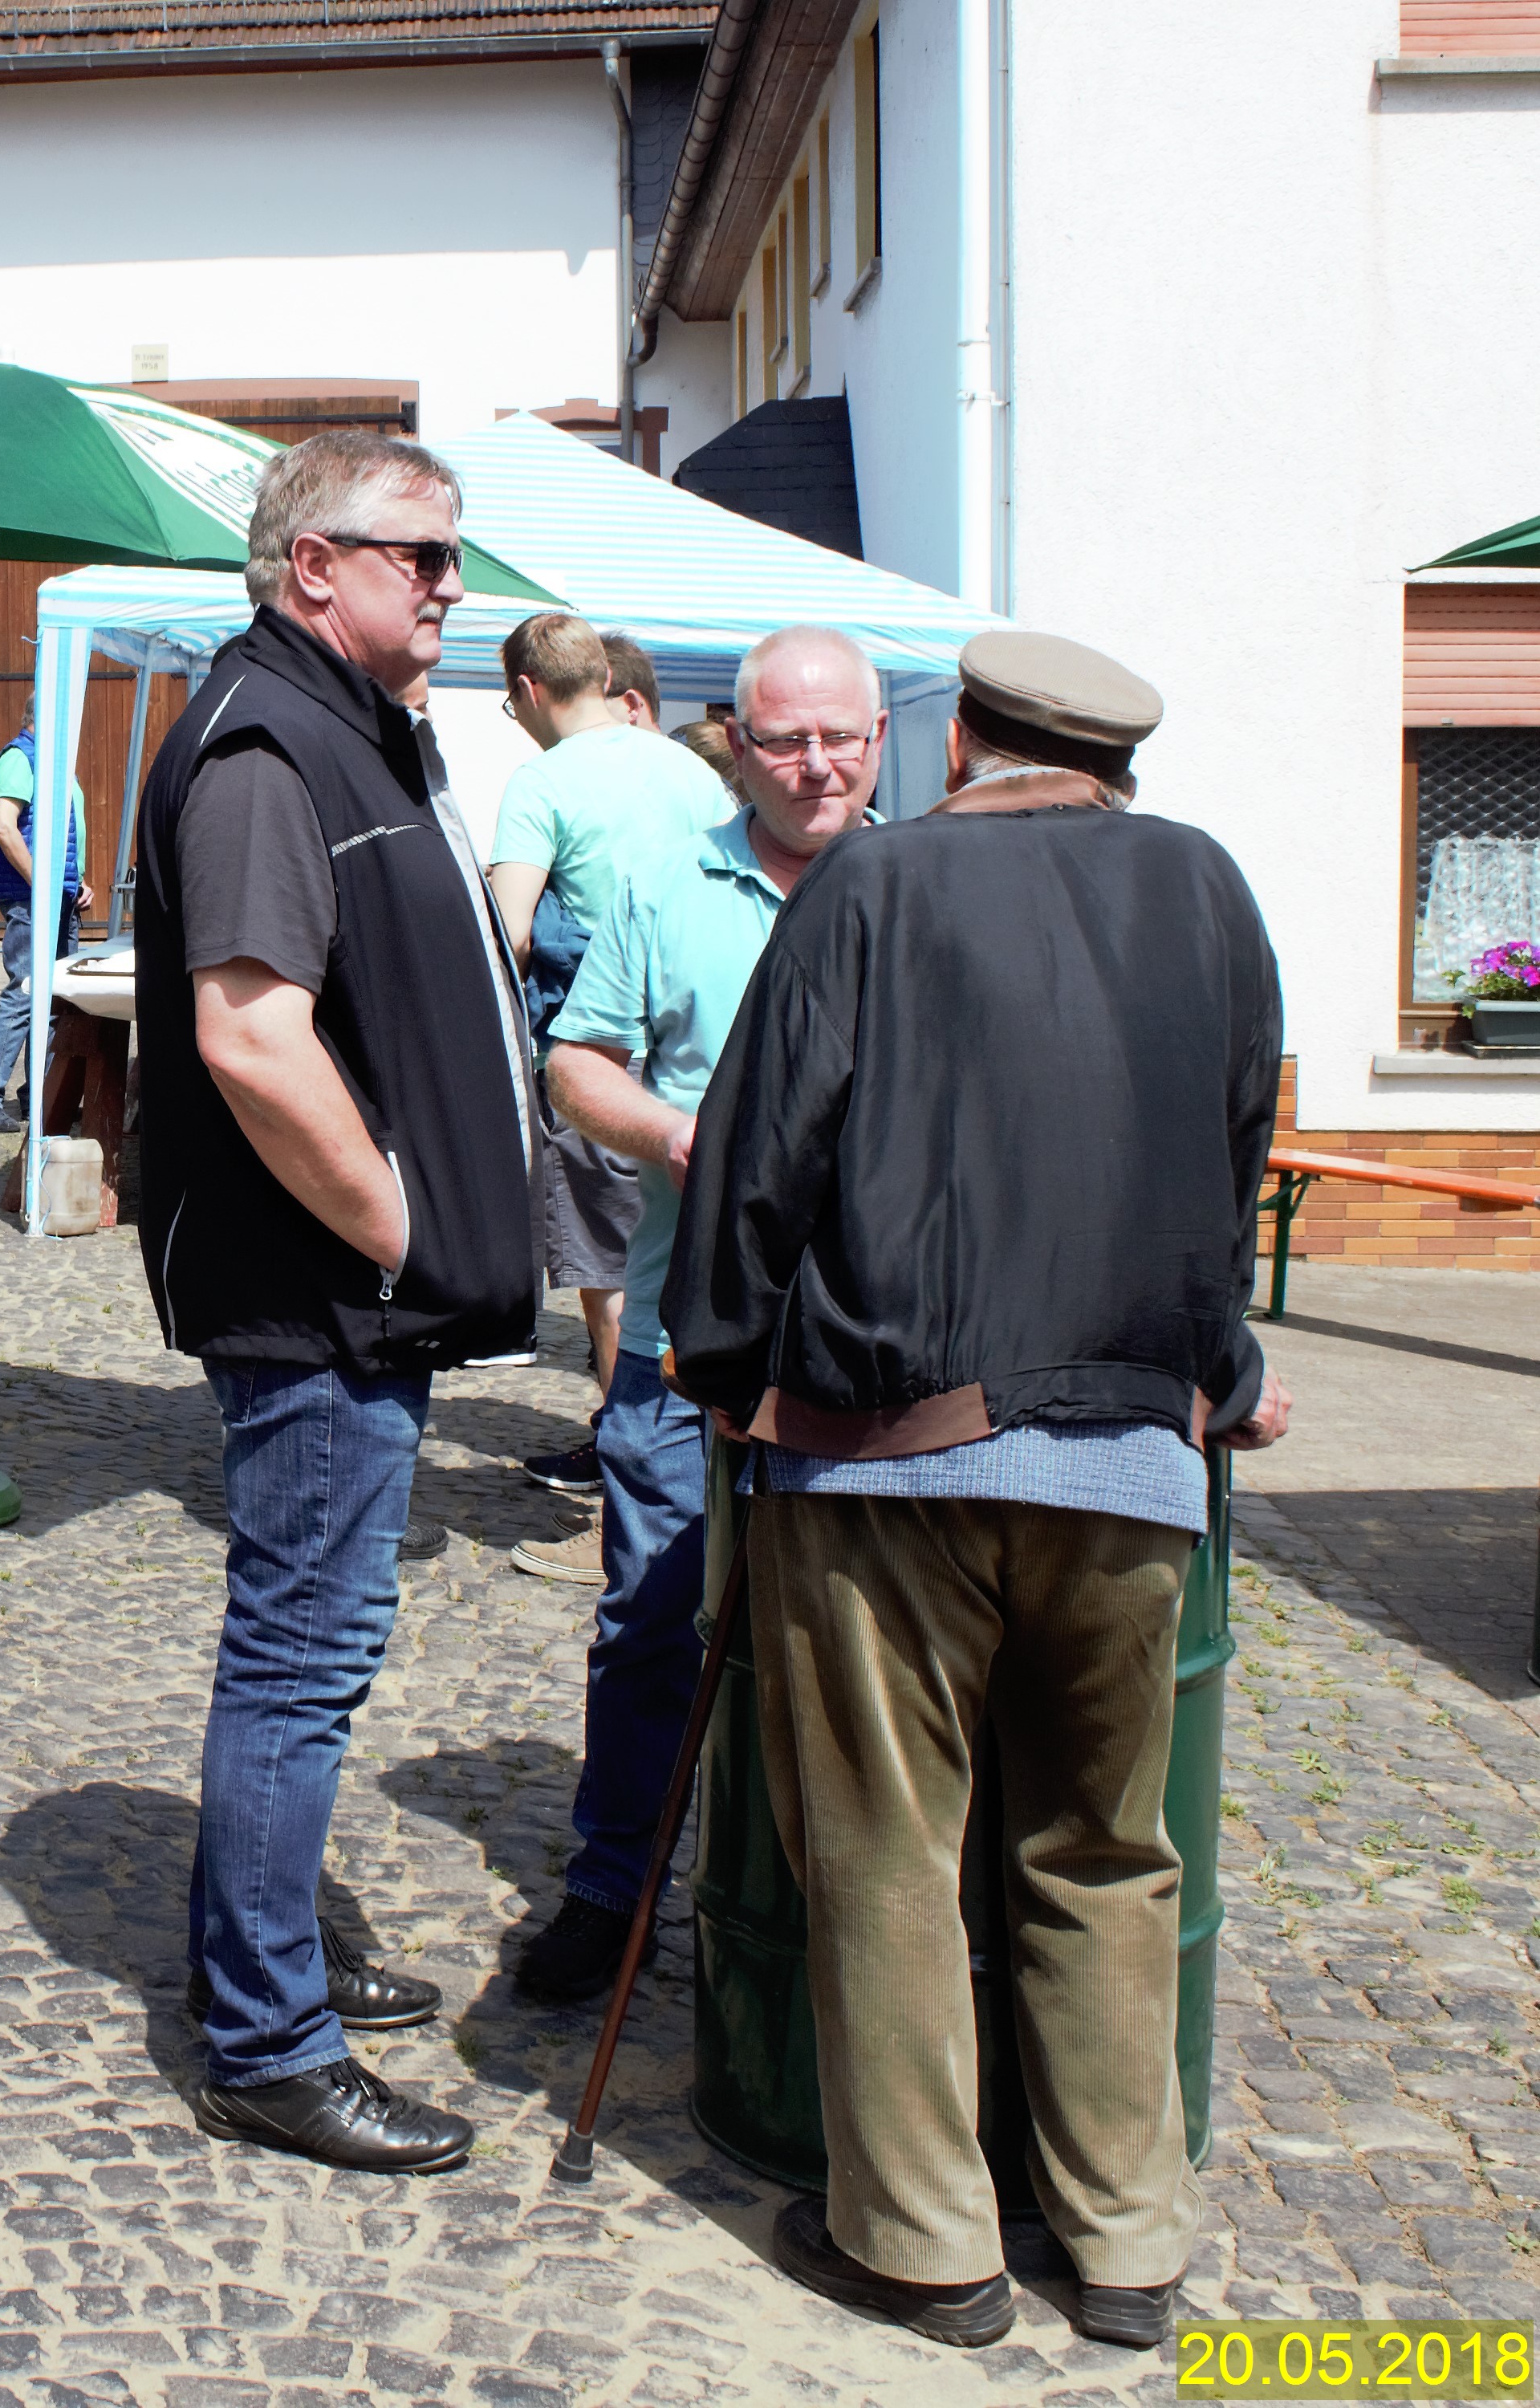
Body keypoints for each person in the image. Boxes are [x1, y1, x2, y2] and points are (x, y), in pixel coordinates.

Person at [664, 631, 1289, 2353]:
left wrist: (720, 1366)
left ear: (955, 750)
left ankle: (927, 2245)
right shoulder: (1207, 891)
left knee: (883, 1852)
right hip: (1132, 1451)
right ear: (1112, 771)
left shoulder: (868, 890)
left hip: (890, 1455)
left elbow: (757, 1159)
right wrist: (1217, 1367)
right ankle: (1128, 2240)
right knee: (1108, 1852)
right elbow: (1234, 1158)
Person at [134, 430, 534, 2173]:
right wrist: (397, 1232)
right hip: (315, 1294)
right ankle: (264, 2042)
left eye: (453, 557)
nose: (451, 586)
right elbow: (249, 1038)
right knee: (299, 1659)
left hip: (352, 1291)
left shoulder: (348, 724)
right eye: (419, 556)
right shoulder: (262, 745)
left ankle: (272, 1944)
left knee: (317, 1650)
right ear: (314, 567)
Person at [519, 623, 885, 2003]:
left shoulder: (923, 888)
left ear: (878, 740)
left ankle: (836, 1911)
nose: (813, 765)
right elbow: (576, 1064)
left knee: (865, 1640)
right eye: (783, 740)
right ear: (736, 743)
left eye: (837, 738)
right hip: (685, 1332)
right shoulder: (668, 882)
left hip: (877, 1342)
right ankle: (613, 1885)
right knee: (650, 1614)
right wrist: (678, 1135)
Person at [486, 614, 733, 1523]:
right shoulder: (690, 769)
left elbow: (509, 931)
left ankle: (626, 1461)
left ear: (527, 691)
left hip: (602, 1051)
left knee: (613, 1264)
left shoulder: (542, 780)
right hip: (702, 1043)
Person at [0, 697, 93, 1136]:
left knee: (54, 999)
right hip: (31, 898)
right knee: (25, 992)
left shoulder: (55, 765)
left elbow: (63, 834)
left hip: (57, 897)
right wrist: (44, 883)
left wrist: (76, 882)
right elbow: (4, 826)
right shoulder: (21, 758)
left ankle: (40, 1096)